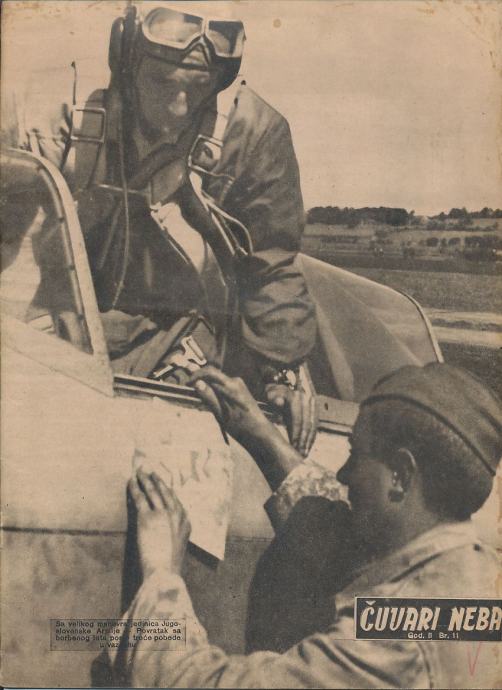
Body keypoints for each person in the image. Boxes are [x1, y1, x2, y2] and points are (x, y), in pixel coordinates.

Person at [1, 2, 317, 455]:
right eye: (162, 81)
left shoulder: (251, 132)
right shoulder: (58, 107)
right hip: (50, 319)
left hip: (176, 333)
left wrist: (281, 369)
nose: (180, 105)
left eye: (199, 86)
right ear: (127, 53)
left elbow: (271, 262)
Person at [104, 362, 502, 689]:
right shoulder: (479, 577)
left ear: (401, 474)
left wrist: (160, 575)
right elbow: (341, 530)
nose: (342, 475)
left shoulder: (391, 643)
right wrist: (263, 439)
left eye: (356, 455)